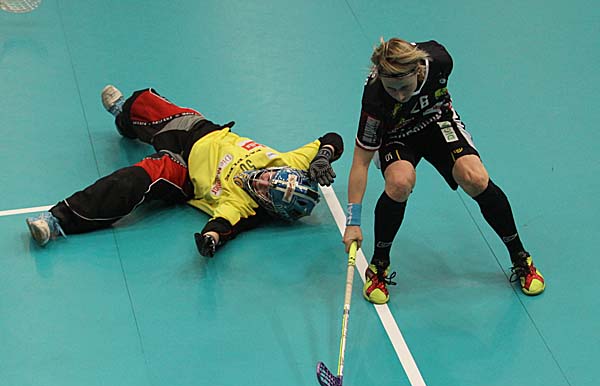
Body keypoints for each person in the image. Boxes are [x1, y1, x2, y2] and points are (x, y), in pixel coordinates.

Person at [26, 85, 344, 257]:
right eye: (272, 177)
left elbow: (223, 226)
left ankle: (56, 222)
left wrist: (210, 240)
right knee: (146, 103)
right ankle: (124, 116)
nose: (264, 180)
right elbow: (333, 139)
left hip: (182, 172)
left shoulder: (245, 207)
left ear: (269, 205)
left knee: (131, 181)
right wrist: (323, 157)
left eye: (267, 189)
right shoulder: (290, 163)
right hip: (202, 132)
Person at [342, 38, 544, 304]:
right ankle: (379, 265)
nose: (400, 95)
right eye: (392, 89)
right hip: (396, 135)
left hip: (438, 122)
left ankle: (520, 257)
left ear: (418, 70)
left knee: (475, 178)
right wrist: (353, 222)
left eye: (405, 87)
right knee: (399, 182)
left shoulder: (440, 61)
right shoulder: (375, 99)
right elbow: (360, 162)